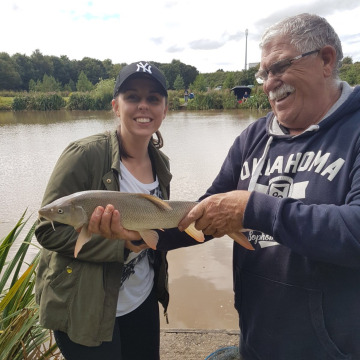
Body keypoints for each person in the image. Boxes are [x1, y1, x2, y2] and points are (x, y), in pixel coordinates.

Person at [91, 13, 360, 359]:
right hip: (256, 338)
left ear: (326, 60)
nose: (268, 83)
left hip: (334, 349)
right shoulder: (253, 137)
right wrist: (134, 235)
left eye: (279, 67)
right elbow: (205, 214)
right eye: (264, 74)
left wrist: (253, 209)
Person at [35, 61, 171, 360]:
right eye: (132, 97)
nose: (143, 106)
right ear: (115, 106)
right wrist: (118, 245)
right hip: (86, 308)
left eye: (153, 98)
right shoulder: (82, 154)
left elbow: (156, 230)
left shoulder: (162, 164)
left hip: (142, 298)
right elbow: (46, 230)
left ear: (165, 108)